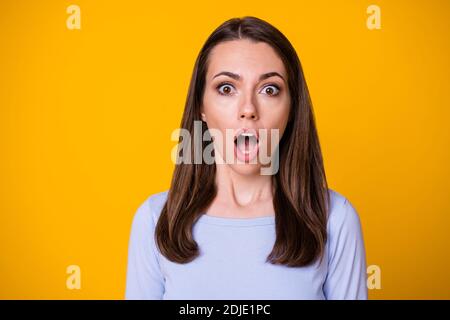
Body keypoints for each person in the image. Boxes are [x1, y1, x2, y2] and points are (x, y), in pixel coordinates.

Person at [125, 16, 367, 300]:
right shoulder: (155, 219)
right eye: (226, 88)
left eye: (269, 89)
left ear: (291, 109)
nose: (248, 109)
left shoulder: (335, 218)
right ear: (201, 107)